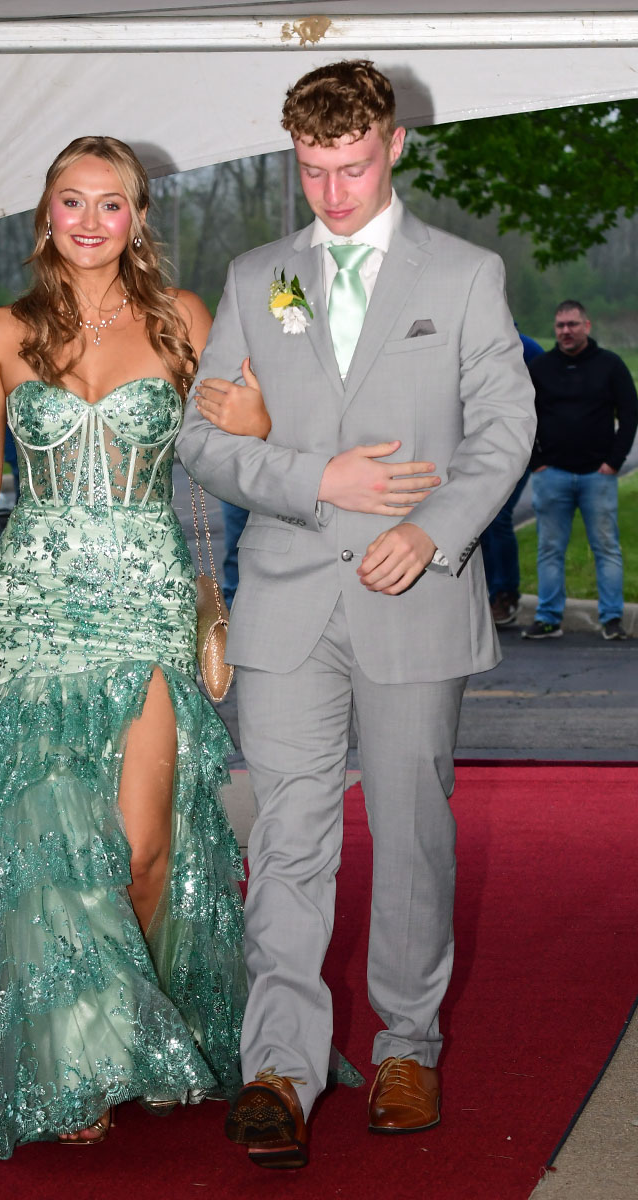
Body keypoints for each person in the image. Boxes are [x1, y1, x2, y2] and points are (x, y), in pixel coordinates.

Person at [176, 59, 535, 1169]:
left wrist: (432, 531)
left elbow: (503, 428)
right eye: (312, 170)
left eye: (352, 166)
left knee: (414, 833)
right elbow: (203, 439)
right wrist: (311, 478)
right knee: (286, 838)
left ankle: (405, 1045)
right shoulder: (254, 275)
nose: (331, 195)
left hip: (413, 592)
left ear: (393, 147)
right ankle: (277, 1069)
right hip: (284, 598)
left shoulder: (465, 275)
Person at [0, 136, 247, 1159]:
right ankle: (86, 1055)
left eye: (109, 205)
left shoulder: (182, 320)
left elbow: (244, 442)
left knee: (144, 845)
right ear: (44, 214)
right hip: (33, 607)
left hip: (147, 599)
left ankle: (154, 1022)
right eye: (70, 202)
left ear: (137, 218)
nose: (87, 221)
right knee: (53, 843)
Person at [522, 300, 637, 641]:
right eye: (560, 326)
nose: (566, 331)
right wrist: (536, 461)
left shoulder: (610, 366)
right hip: (551, 474)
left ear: (587, 326)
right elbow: (523, 417)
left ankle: (612, 619)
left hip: (596, 476)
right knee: (549, 549)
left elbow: (630, 414)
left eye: (572, 324)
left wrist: (614, 462)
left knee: (606, 548)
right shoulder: (540, 368)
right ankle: (547, 618)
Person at [480, 328, 543, 627]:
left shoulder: (526, 348)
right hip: (478, 448)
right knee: (476, 522)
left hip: (518, 448)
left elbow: (547, 398)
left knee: (499, 517)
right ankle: (484, 594)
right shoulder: (473, 342)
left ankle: (505, 594)